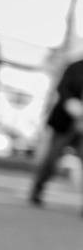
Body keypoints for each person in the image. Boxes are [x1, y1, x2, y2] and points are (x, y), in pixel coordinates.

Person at [29, 55, 83, 208]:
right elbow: (62, 87)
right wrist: (70, 102)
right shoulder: (75, 66)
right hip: (66, 120)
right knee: (52, 157)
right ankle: (37, 190)